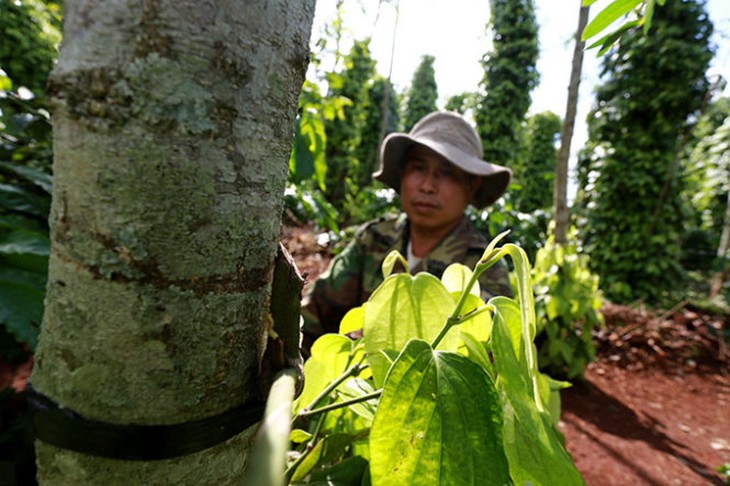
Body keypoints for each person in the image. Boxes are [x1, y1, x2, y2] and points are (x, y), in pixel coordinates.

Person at [301, 111, 513, 350]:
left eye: (446, 173)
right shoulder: (375, 239)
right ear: (403, 175)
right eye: (418, 168)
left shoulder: (483, 266)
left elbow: (490, 352)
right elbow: (313, 314)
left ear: (471, 186)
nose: (427, 186)